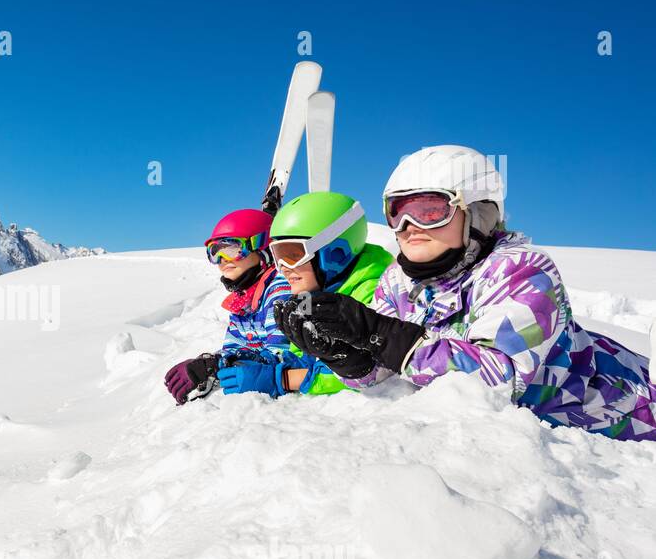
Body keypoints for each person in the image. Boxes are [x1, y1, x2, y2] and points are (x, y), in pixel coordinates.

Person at [279, 145, 656, 441]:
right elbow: (388, 375)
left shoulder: (523, 270)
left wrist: (384, 334)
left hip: (624, 412)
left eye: (430, 210)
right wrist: (348, 357)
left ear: (478, 213)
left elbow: (500, 379)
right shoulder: (398, 282)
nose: (409, 226)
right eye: (397, 212)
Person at [266, 191, 395, 395]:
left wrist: (283, 379)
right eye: (278, 255)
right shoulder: (312, 295)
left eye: (293, 255)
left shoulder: (375, 293)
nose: (283, 268)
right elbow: (303, 355)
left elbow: (371, 371)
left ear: (335, 252)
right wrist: (267, 364)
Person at [164, 209, 292, 404]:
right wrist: (209, 365)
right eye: (215, 252)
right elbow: (237, 349)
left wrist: (216, 365)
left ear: (263, 249)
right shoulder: (243, 301)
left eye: (231, 249)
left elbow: (283, 355)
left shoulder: (281, 290)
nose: (223, 260)